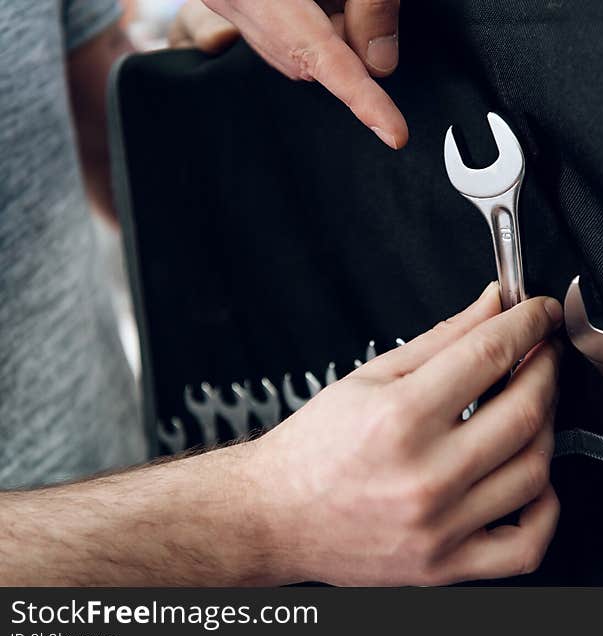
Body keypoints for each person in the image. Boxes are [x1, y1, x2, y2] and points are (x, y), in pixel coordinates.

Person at [0, 0, 561, 586]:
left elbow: (88, 134)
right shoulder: (263, 518)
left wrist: (209, 81)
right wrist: (262, 516)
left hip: (156, 472)